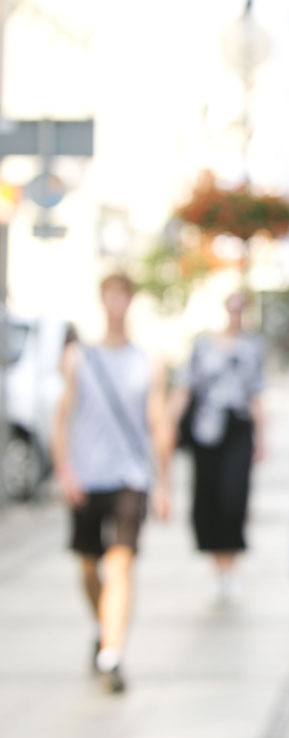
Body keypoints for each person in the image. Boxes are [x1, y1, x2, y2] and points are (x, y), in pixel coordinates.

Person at [51, 272, 172, 693]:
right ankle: (102, 626)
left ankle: (111, 653)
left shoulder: (147, 359)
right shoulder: (78, 358)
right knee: (89, 566)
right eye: (110, 296)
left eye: (123, 296)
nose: (116, 304)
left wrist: (164, 483)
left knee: (120, 564)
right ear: (102, 301)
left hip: (130, 476)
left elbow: (158, 421)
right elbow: (61, 419)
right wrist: (65, 471)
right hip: (87, 476)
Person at [172, 290, 265, 605]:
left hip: (237, 428)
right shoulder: (203, 345)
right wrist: (167, 426)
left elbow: (256, 393)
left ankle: (232, 565)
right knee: (209, 497)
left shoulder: (252, 347)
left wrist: (262, 437)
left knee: (234, 497)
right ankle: (217, 568)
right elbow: (185, 387)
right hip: (206, 431)